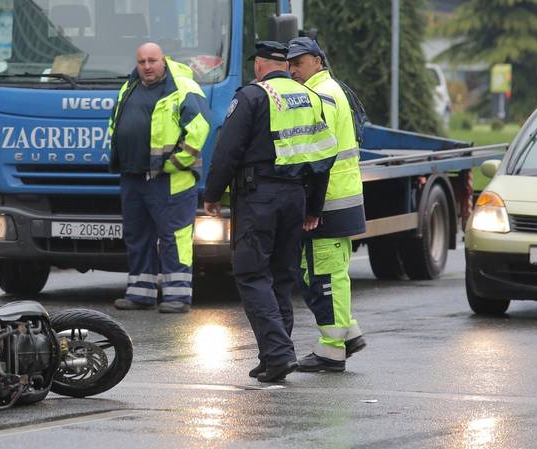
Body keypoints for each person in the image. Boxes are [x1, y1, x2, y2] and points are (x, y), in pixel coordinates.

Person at [203, 41, 337, 382]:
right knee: (280, 276)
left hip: (258, 197)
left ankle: (278, 353)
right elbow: (322, 158)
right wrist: (314, 206)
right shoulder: (309, 97)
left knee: (251, 273)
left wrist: (213, 193)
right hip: (295, 198)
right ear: (287, 65)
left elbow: (228, 150)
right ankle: (273, 356)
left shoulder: (251, 96)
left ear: (259, 65)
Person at [109, 42, 210, 314]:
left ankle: (177, 296)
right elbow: (116, 122)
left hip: (170, 179)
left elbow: (198, 130)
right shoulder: (129, 87)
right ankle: (140, 293)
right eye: (142, 61)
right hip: (134, 176)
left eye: (152, 61)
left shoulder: (184, 89)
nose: (147, 66)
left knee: (174, 237)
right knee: (137, 235)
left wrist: (175, 163)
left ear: (164, 60)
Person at [286, 36, 367, 372]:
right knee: (331, 273)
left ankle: (332, 350)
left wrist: (310, 205)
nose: (293, 70)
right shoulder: (332, 90)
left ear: (318, 61)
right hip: (339, 198)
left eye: (299, 63)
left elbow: (318, 154)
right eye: (290, 64)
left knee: (321, 275)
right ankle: (348, 334)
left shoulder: (321, 96)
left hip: (329, 200)